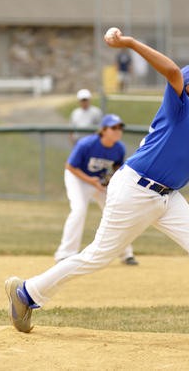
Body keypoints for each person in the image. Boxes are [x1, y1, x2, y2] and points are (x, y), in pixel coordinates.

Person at [5, 28, 189, 346]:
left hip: (169, 199)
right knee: (98, 256)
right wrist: (128, 43)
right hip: (134, 190)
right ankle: (26, 293)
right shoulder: (180, 107)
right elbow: (170, 70)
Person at [55, 113, 138, 265]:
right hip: (78, 179)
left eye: (120, 128)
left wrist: (111, 179)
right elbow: (70, 166)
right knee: (79, 210)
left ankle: (126, 254)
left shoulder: (119, 148)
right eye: (114, 128)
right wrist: (91, 181)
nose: (118, 131)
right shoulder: (86, 144)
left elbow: (117, 168)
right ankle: (65, 253)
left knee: (116, 211)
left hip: (98, 182)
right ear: (103, 130)